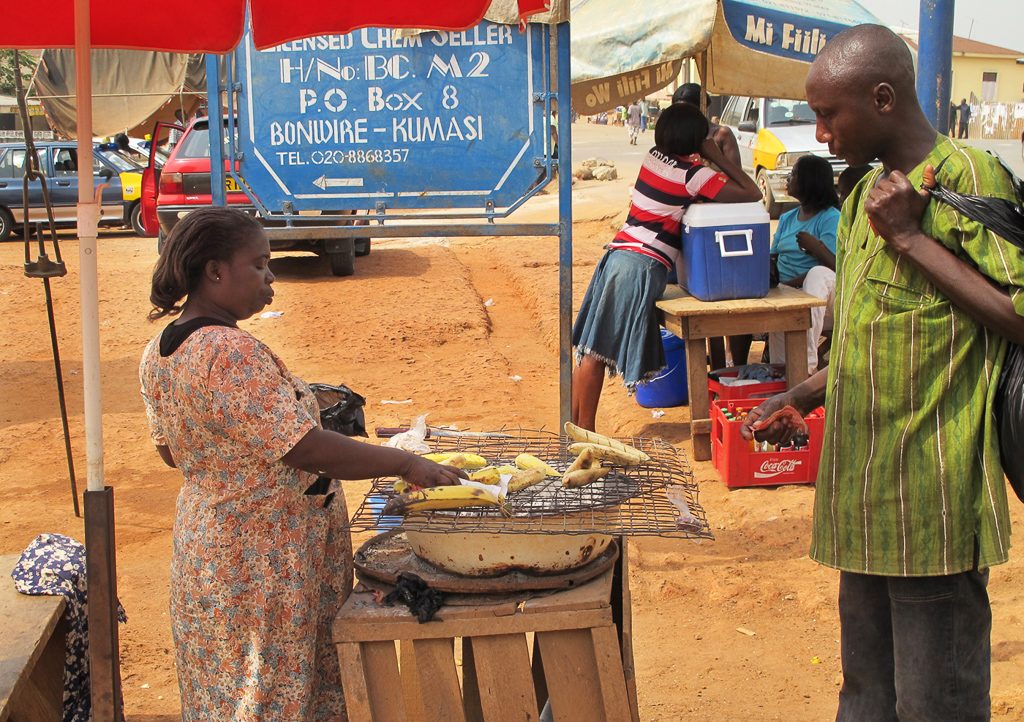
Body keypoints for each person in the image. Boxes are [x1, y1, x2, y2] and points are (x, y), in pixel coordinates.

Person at [742, 25, 1024, 720]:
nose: (820, 133)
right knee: (866, 697)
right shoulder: (865, 198)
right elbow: (874, 333)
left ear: (884, 97)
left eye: (829, 114)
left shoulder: (968, 180)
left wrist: (911, 238)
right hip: (862, 499)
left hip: (931, 501)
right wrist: (801, 395)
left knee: (935, 704)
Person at [139, 207, 466, 721]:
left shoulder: (161, 349)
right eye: (259, 264)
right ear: (215, 271)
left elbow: (171, 450)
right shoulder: (228, 350)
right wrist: (405, 463)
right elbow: (304, 447)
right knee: (271, 694)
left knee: (232, 693)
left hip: (211, 553)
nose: (270, 277)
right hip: (264, 563)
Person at [571, 103, 761, 430]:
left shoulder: (652, 157)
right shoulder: (695, 176)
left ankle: (574, 427)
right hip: (640, 266)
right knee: (597, 354)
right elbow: (752, 191)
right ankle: (583, 434)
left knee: (591, 348)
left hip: (617, 256)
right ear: (698, 139)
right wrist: (717, 156)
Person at [673, 82, 750, 365]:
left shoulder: (720, 136)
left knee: (730, 297)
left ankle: (737, 364)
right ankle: (717, 367)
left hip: (724, 221)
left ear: (702, 109)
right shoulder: (679, 140)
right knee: (704, 299)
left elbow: (737, 180)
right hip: (695, 225)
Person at [766, 154, 840, 373]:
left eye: (794, 174)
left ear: (810, 180)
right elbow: (774, 256)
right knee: (779, 300)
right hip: (790, 291)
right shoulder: (787, 218)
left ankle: (805, 367)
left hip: (824, 302)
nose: (789, 178)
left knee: (817, 274)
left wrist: (815, 247)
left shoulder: (830, 217)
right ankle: (783, 374)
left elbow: (837, 267)